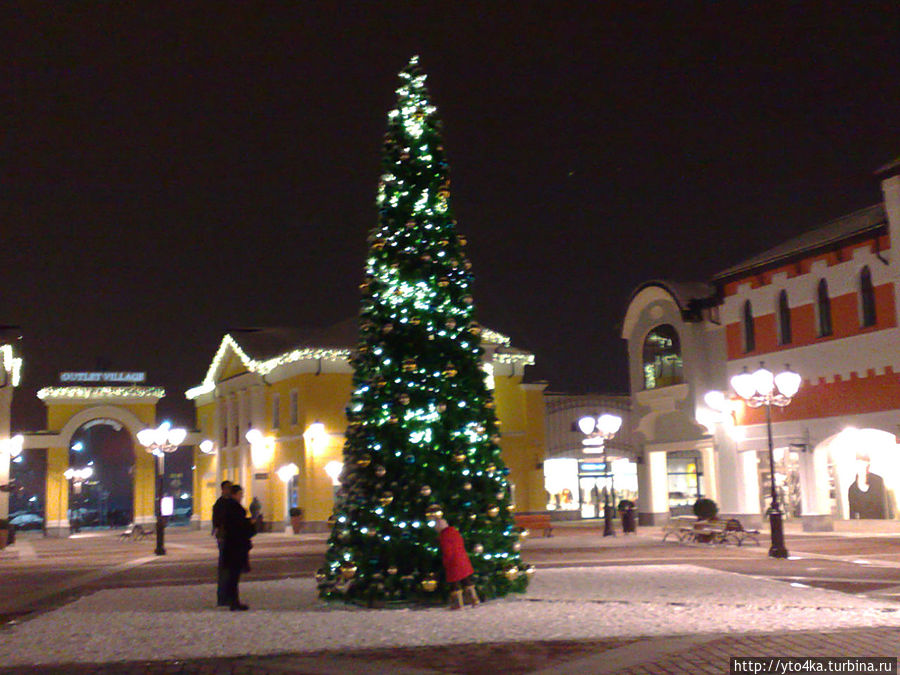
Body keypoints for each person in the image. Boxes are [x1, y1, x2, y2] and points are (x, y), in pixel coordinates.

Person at [221, 484, 255, 611]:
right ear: (235, 494)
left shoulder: (229, 507)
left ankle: (232, 600)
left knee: (232, 575)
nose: (242, 496)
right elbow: (239, 527)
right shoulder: (235, 509)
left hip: (231, 546)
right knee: (234, 575)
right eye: (240, 494)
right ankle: (234, 602)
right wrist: (250, 524)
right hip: (236, 546)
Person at [434, 518, 479, 610]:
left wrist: (446, 561)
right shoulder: (455, 532)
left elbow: (447, 551)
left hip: (453, 562)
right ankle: (473, 598)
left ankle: (457, 603)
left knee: (454, 582)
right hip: (462, 559)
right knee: (465, 579)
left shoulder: (444, 536)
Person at [848, 452, 889, 519]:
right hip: (863, 527)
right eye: (859, 463)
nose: (861, 466)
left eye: (864, 463)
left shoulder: (878, 481)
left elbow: (884, 509)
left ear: (868, 464)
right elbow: (852, 515)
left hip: (880, 525)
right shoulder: (852, 489)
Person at [211, 480, 232, 607]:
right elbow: (216, 521)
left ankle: (229, 595)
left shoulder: (231, 502)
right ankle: (222, 597)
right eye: (227, 488)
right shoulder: (219, 504)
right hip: (224, 537)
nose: (229, 490)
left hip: (231, 537)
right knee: (224, 568)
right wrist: (218, 534)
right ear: (223, 489)